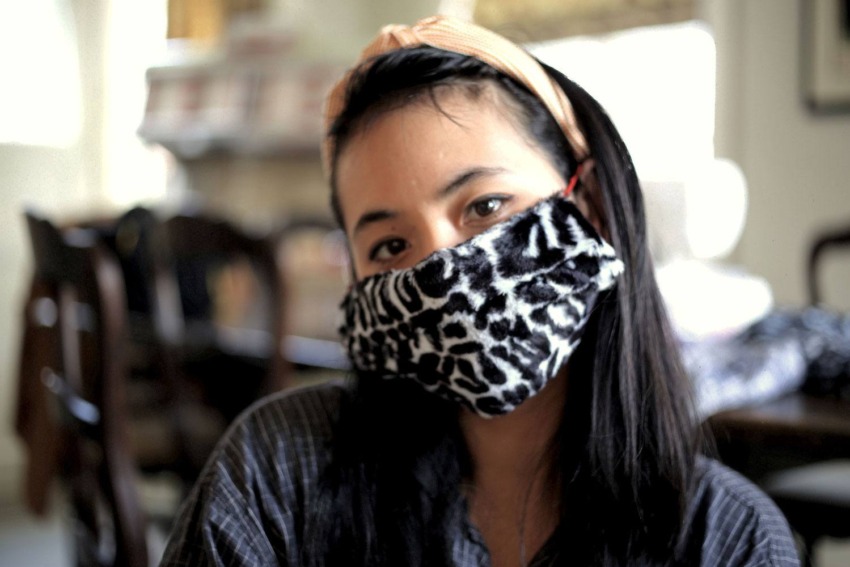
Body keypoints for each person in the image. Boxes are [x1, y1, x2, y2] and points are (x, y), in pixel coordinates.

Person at [159, 15, 799, 567]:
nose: (443, 268)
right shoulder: (276, 475)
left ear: (594, 207)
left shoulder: (727, 540)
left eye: (485, 205)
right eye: (389, 246)